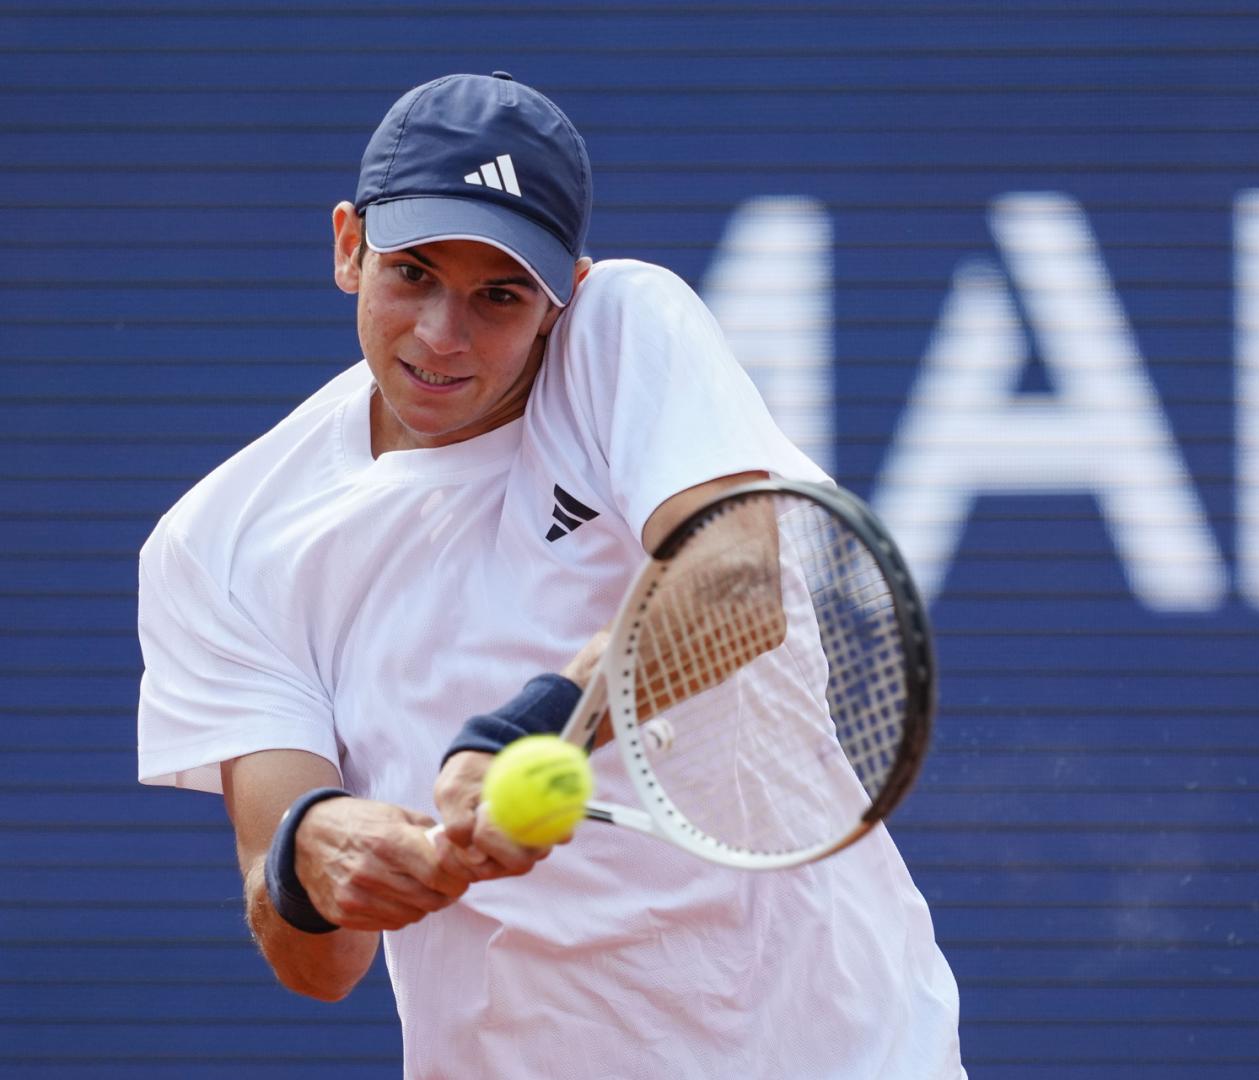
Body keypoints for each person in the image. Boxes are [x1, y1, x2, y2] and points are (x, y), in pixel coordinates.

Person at [135, 72, 964, 1078]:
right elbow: (314, 961)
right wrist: (320, 855)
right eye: (414, 275)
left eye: (498, 295)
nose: (444, 334)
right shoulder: (217, 548)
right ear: (350, 246)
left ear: (563, 288)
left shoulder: (623, 327)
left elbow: (734, 584)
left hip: (833, 1053)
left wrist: (526, 730)